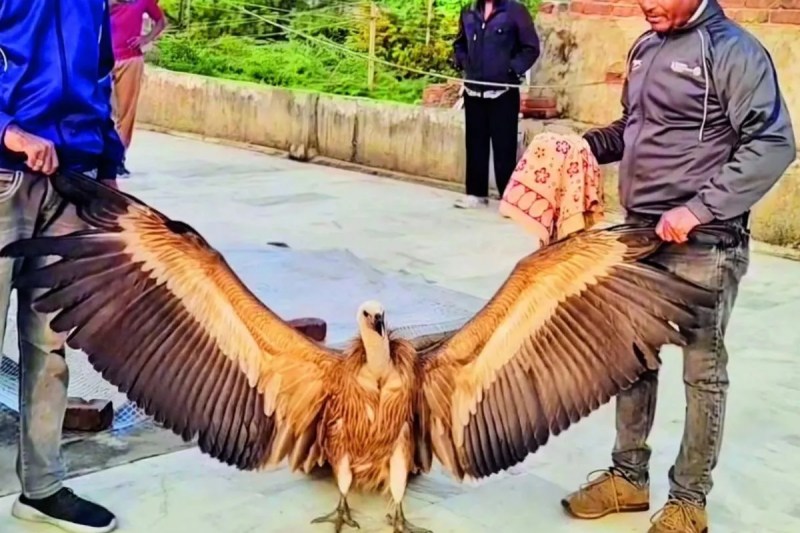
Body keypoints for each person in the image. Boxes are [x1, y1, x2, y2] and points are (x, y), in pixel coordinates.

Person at [560, 0, 796, 532]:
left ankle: (689, 500)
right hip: (641, 236)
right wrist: (581, 147)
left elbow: (773, 143)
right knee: (632, 360)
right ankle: (628, 478)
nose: (646, 3)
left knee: (702, 372)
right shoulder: (646, 46)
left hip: (705, 243)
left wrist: (698, 209)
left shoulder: (734, 51)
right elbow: (636, 127)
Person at [0, 0, 125, 531]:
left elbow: (100, 80)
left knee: (49, 345)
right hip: (4, 178)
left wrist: (109, 166)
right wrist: (11, 132)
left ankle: (42, 488)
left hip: (71, 184)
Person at [452, 0, 539, 209]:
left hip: (504, 92)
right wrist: (465, 63)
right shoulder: (468, 11)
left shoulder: (515, 11)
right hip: (474, 90)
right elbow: (459, 44)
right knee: (475, 143)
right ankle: (476, 193)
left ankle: (509, 197)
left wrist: (511, 69)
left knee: (504, 146)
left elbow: (530, 47)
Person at [110, 0, 167, 174]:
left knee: (126, 112)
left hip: (130, 59)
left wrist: (146, 38)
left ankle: (118, 157)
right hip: (102, 57)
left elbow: (161, 21)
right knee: (97, 107)